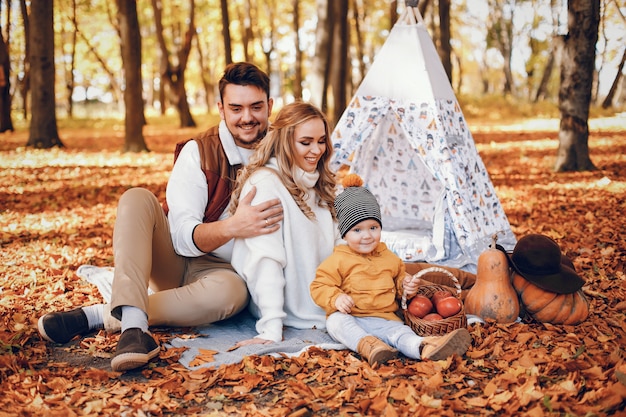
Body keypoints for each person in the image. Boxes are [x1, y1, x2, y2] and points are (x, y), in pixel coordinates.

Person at [37, 62, 284, 372]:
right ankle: (135, 331)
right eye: (236, 108)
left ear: (270, 106)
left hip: (227, 273)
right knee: (136, 198)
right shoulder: (199, 152)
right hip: (175, 259)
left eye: (256, 107)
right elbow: (181, 236)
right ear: (221, 109)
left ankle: (100, 316)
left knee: (233, 295)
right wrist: (234, 226)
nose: (247, 118)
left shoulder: (285, 149)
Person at [310, 174, 472, 366]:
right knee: (335, 323)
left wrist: (407, 287)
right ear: (344, 234)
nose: (367, 236)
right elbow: (319, 285)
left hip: (385, 319)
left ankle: (426, 347)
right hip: (353, 318)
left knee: (402, 333)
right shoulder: (338, 259)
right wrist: (335, 298)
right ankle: (369, 346)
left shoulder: (390, 258)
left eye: (373, 227)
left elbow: (398, 283)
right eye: (357, 230)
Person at [228, 101, 341, 347]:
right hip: (285, 308)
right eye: (306, 142)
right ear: (285, 141)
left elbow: (341, 247)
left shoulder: (319, 184)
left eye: (321, 141)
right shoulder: (267, 185)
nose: (317, 150)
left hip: (329, 298)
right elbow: (265, 260)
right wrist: (271, 328)